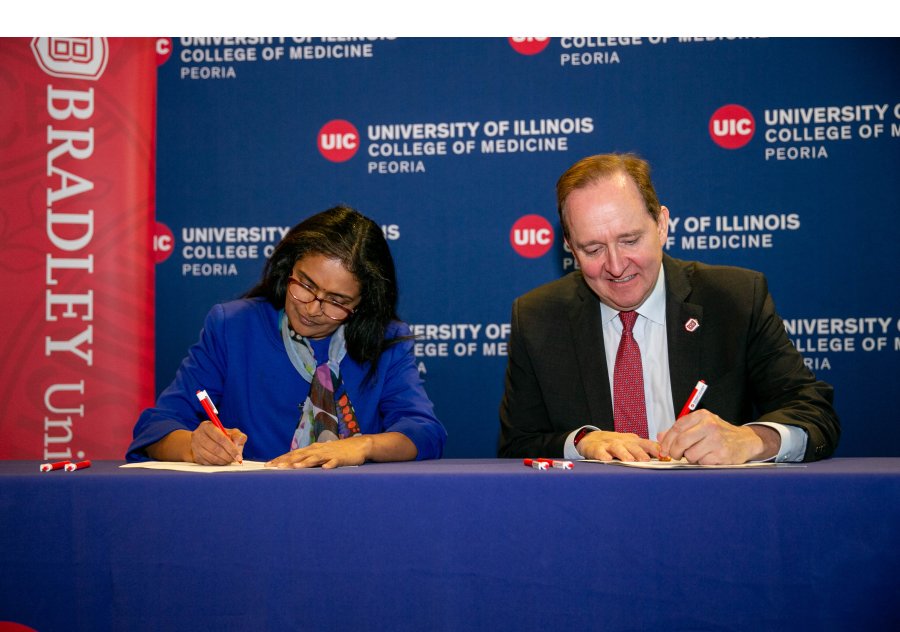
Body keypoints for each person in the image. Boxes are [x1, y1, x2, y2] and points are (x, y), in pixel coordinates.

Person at [498, 153, 840, 465]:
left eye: (630, 240)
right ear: (570, 248)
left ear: (661, 226)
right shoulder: (538, 317)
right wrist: (582, 441)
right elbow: (516, 446)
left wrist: (752, 440)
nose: (616, 266)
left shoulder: (735, 299)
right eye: (593, 249)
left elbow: (815, 413)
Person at [128, 206, 446, 468]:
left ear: (362, 303)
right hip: (249, 510)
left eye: (336, 301)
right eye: (305, 285)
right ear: (287, 267)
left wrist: (361, 447)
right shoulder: (233, 327)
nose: (311, 307)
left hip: (355, 510)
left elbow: (425, 433)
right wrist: (193, 446)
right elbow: (156, 428)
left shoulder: (386, 341)